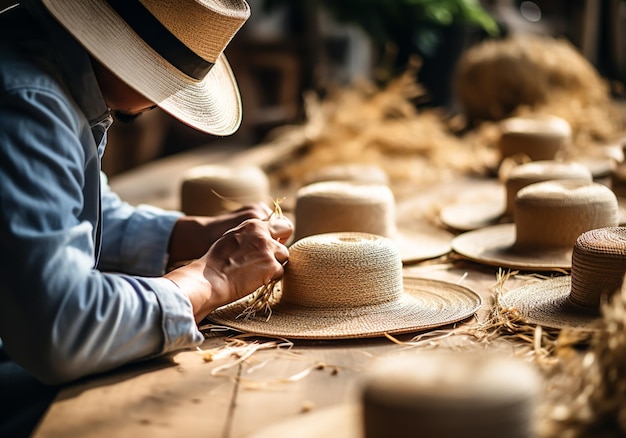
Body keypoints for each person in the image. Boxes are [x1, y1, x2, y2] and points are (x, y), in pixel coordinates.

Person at [0, 0, 293, 435]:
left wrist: (187, 234)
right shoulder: (30, 103)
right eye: (168, 75)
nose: (171, 96)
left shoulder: (45, 65)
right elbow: (61, 326)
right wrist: (211, 279)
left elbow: (63, 216)